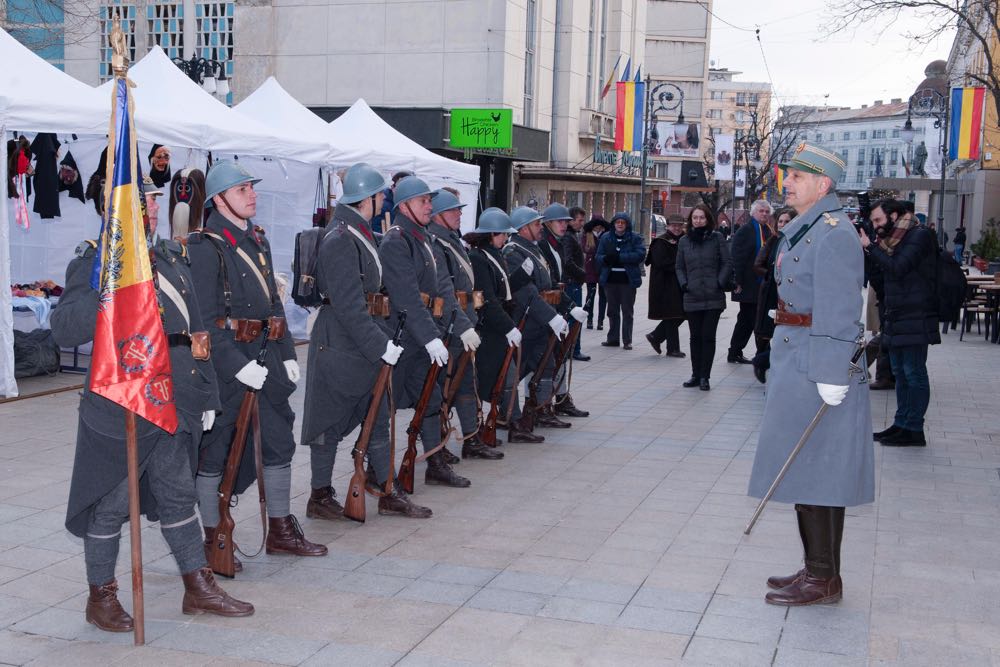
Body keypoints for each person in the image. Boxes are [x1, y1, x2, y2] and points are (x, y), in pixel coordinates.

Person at [52, 176, 252, 633]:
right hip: (121, 402)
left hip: (171, 401)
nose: (154, 208)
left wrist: (205, 394)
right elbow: (64, 328)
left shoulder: (170, 256)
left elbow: (195, 333)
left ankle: (196, 587)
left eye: (156, 200)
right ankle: (100, 597)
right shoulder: (97, 259)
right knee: (112, 502)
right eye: (144, 201)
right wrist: (108, 291)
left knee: (179, 494)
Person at [748, 143, 872, 606]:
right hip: (797, 354)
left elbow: (840, 308)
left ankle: (823, 578)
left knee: (820, 468)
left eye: (798, 176)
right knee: (804, 467)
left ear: (823, 185)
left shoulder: (834, 232)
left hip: (816, 362)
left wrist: (831, 371)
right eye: (789, 175)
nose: (788, 182)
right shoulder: (809, 228)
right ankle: (819, 568)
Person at [188, 161, 328, 570]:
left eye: (251, 186)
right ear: (218, 199)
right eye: (241, 188)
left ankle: (281, 529)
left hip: (265, 358)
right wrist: (235, 365)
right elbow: (204, 320)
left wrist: (286, 355)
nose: (251, 194)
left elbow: (273, 307)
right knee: (217, 451)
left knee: (279, 439)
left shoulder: (257, 241)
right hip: (227, 364)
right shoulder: (204, 246)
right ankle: (213, 537)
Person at [300, 163, 431, 520]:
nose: (382, 203)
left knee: (377, 412)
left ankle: (385, 488)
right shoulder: (341, 238)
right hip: (340, 342)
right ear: (367, 199)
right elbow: (348, 304)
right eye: (379, 197)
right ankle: (320, 494)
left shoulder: (357, 232)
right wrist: (380, 345)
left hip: (361, 337)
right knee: (328, 420)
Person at [379, 176, 473, 487]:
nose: (429, 206)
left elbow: (444, 289)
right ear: (404, 206)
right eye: (423, 201)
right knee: (385, 408)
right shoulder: (396, 241)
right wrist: (430, 337)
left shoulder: (427, 241)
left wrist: (461, 326)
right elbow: (406, 296)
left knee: (430, 399)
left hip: (425, 332)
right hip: (402, 335)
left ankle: (435, 461)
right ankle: (379, 471)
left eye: (430, 201)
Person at [427, 189, 503, 460]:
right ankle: (436, 446)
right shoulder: (436, 244)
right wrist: (460, 325)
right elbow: (445, 292)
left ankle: (471, 438)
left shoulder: (453, 242)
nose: (459, 214)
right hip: (448, 327)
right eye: (453, 210)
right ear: (437, 216)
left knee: (466, 385)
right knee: (441, 389)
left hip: (464, 324)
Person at [861, 198, 941, 447]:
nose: (875, 226)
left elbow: (899, 268)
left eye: (879, 220)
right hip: (897, 315)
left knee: (913, 373)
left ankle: (914, 428)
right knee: (899, 373)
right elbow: (882, 278)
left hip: (916, 316)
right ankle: (901, 423)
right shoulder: (891, 241)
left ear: (894, 216)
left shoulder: (919, 236)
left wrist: (872, 249)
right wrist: (871, 251)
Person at [504, 206, 585, 432]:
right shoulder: (513, 252)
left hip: (539, 321)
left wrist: (570, 307)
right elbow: (526, 293)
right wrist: (552, 317)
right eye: (537, 224)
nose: (541, 228)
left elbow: (549, 286)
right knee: (515, 372)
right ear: (523, 228)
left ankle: (540, 411)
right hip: (524, 321)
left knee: (546, 365)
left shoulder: (533, 250)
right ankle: (504, 415)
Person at [466, 208, 542, 444]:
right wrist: (508, 327)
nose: (505, 239)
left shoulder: (493, 255)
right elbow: (489, 298)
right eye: (502, 235)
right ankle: (494, 425)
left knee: (508, 377)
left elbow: (504, 287)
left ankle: (513, 422)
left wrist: (522, 275)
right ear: (492, 234)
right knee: (492, 381)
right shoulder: (479, 258)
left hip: (500, 326)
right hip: (491, 329)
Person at [537, 204, 589, 418]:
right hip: (547, 308)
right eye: (560, 221)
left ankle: (561, 398)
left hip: (558, 303)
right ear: (548, 222)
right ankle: (543, 403)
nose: (564, 225)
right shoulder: (543, 244)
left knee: (560, 353)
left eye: (566, 221)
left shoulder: (556, 242)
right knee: (547, 358)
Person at [675, 205, 731, 391]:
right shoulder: (684, 241)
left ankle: (705, 376)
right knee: (695, 337)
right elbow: (679, 267)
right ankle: (695, 374)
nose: (698, 221)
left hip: (713, 296)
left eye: (701, 217)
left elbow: (726, 262)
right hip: (692, 296)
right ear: (691, 220)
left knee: (708, 337)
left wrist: (719, 282)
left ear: (708, 219)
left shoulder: (717, 238)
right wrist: (684, 284)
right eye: (695, 218)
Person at [750, 207, 794, 383]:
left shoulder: (798, 242)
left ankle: (765, 362)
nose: (783, 224)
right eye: (781, 221)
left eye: (787, 221)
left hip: (790, 293)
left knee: (786, 334)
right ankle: (762, 360)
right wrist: (772, 274)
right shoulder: (773, 240)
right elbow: (758, 264)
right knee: (767, 331)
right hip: (771, 292)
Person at [727, 200, 773, 364]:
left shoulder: (768, 230)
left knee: (748, 320)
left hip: (762, 284)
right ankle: (761, 354)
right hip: (747, 284)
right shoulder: (746, 230)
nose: (764, 214)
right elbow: (737, 258)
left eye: (767, 212)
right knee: (750, 319)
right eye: (761, 211)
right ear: (753, 213)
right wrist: (737, 281)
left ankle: (735, 352)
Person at [597, 212, 645, 350]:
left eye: (622, 222)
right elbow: (598, 256)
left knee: (627, 311)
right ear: (613, 224)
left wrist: (620, 257)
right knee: (612, 310)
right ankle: (613, 338)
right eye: (617, 222)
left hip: (627, 281)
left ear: (627, 224)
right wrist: (606, 259)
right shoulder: (606, 238)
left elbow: (640, 254)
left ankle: (627, 340)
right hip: (610, 280)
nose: (620, 224)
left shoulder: (635, 238)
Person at [644, 214, 686, 358]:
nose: (677, 228)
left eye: (679, 225)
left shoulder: (684, 239)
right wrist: (682, 266)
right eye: (674, 225)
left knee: (679, 314)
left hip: (678, 283)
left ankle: (656, 336)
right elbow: (661, 263)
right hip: (665, 284)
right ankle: (672, 348)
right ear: (668, 226)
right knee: (672, 315)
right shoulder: (661, 241)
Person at [565, 206, 589, 361]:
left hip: (573, 282)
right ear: (571, 220)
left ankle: (571, 348)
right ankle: (574, 349)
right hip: (571, 282)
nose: (582, 223)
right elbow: (567, 261)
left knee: (572, 317)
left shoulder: (572, 235)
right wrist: (582, 273)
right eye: (579, 220)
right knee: (575, 317)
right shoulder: (568, 237)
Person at [582, 215, 608, 330]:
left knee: (603, 296)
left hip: (603, 268)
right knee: (590, 295)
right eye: (596, 225)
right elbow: (584, 249)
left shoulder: (606, 235)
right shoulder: (587, 235)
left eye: (600, 225)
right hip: (591, 268)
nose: (598, 227)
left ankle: (600, 321)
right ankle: (590, 319)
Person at [374, 169, 413, 233]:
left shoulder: (409, 204)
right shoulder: (382, 206)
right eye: (399, 187)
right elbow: (376, 230)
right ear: (392, 187)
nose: (403, 191)